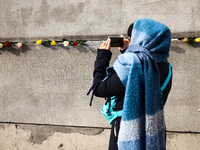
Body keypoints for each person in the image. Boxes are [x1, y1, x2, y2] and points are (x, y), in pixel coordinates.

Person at [87, 18, 172, 150]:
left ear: (139, 38)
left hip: (127, 129)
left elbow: (99, 89)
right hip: (154, 128)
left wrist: (102, 56)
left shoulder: (133, 63)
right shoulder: (167, 67)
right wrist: (129, 50)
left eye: (131, 38)